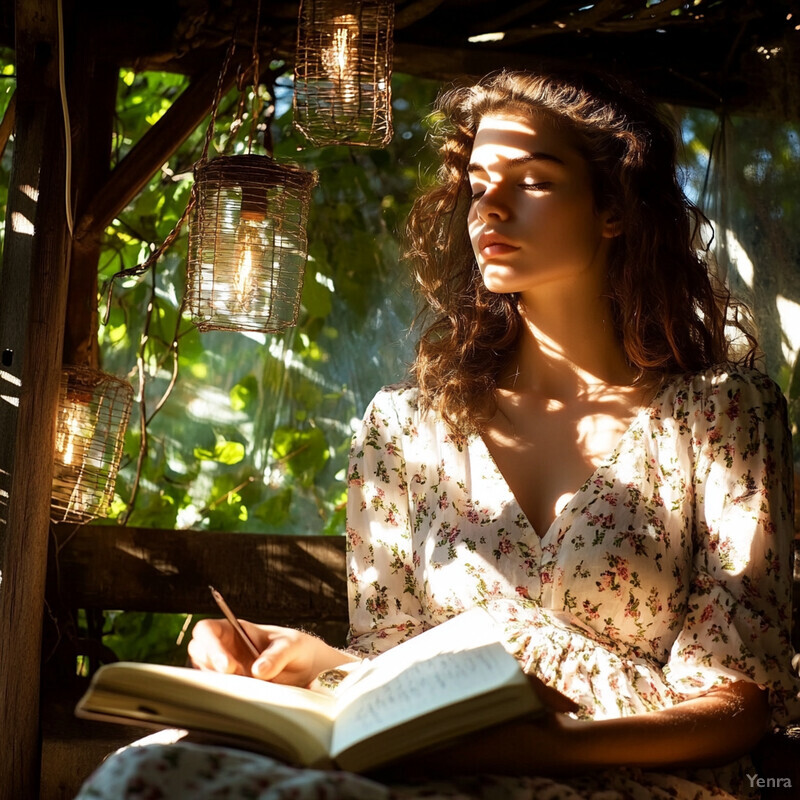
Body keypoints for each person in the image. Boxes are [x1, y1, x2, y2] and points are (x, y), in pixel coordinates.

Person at [76, 70, 799, 800]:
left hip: (638, 778)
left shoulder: (719, 417)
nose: (492, 208)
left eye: (534, 181)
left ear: (612, 206)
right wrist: (303, 660)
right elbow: (386, 666)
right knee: (154, 766)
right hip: (445, 770)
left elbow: (739, 704)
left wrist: (553, 745)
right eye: (480, 183)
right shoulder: (406, 430)